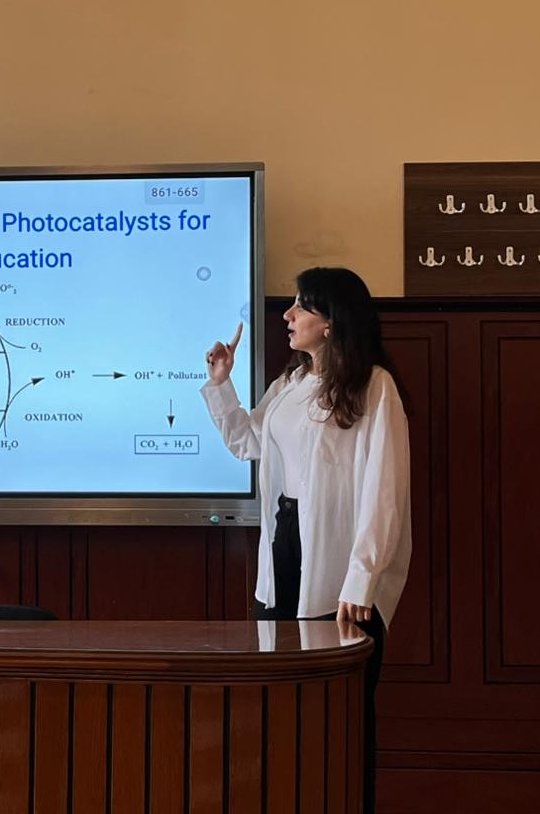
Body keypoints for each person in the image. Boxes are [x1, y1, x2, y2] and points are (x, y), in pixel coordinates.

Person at [201, 266, 411, 814]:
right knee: (281, 703)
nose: (288, 315)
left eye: (301, 306)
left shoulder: (374, 386)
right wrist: (222, 384)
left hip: (340, 563)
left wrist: (361, 578)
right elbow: (248, 443)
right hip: (285, 544)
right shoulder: (291, 384)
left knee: (338, 711)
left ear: (332, 320)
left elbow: (384, 488)